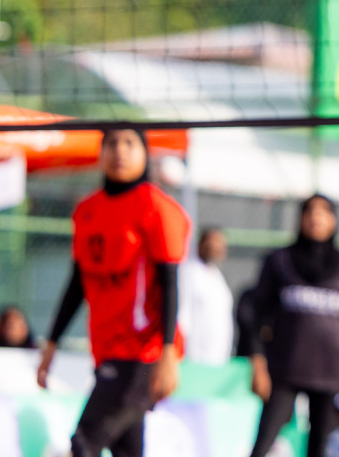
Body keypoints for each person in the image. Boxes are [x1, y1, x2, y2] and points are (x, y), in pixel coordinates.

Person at [36, 125, 189, 457]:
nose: (120, 151)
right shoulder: (88, 210)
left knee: (83, 443)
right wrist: (51, 343)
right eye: (112, 143)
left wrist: (168, 354)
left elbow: (170, 283)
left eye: (129, 143)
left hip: (141, 354)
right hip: (106, 348)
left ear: (145, 154)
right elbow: (77, 284)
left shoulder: (156, 207)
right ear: (101, 153)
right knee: (128, 450)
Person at [245, 194, 339, 457]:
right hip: (284, 369)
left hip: (330, 371)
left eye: (324, 211)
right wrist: (257, 362)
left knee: (320, 446)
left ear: (334, 219)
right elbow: (254, 313)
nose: (316, 218)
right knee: (263, 443)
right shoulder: (280, 260)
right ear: (300, 218)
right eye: (309, 211)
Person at [180, 226, 235, 364]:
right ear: (201, 244)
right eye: (213, 243)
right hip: (194, 358)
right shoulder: (188, 273)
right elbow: (182, 317)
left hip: (218, 358)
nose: (217, 248)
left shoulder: (217, 276)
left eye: (221, 244)